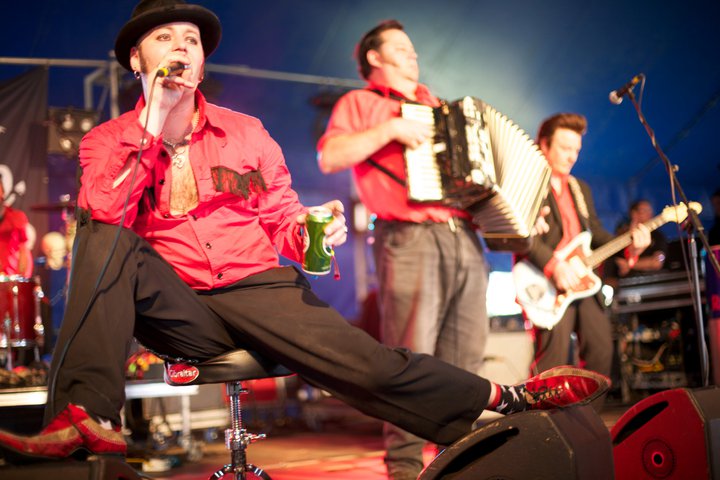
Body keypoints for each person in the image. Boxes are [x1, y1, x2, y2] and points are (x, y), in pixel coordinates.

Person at [0, 1, 609, 466]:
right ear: (137, 60)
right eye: (165, 37)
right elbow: (105, 212)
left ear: (203, 62)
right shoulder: (106, 141)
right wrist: (153, 124)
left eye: (192, 39)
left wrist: (312, 232)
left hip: (257, 288)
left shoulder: (247, 133)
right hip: (179, 304)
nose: (182, 46)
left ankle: (510, 398)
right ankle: (87, 418)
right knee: (103, 234)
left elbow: (284, 220)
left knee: (370, 365)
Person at [317, 20, 489, 479]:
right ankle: (405, 468)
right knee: (412, 358)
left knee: (468, 360)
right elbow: (330, 156)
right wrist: (391, 128)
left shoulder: (437, 105)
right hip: (408, 235)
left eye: (413, 48)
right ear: (374, 57)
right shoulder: (360, 103)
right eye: (401, 48)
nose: (413, 54)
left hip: (463, 235)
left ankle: (460, 464)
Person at [521, 113, 650, 384]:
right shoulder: (526, 184)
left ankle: (585, 411)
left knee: (602, 353)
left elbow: (596, 234)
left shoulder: (580, 188)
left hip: (583, 280)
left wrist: (631, 245)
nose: (572, 156)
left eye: (576, 150)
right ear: (544, 145)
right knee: (552, 364)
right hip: (546, 281)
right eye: (565, 148)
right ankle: (544, 414)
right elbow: (521, 235)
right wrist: (554, 265)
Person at [604, 199, 667, 287]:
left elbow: (657, 262)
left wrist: (629, 265)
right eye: (644, 211)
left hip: (649, 284)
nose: (649, 214)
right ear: (634, 214)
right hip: (621, 286)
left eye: (650, 211)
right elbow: (612, 263)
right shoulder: (621, 235)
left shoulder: (657, 236)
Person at [0, 180, 33, 278]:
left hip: (11, 277)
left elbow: (23, 250)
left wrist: (21, 278)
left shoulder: (16, 218)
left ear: (2, 192)